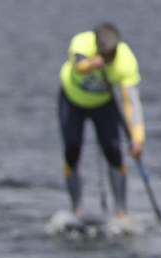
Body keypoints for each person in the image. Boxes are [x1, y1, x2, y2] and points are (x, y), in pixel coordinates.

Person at [59, 22, 145, 219]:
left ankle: (122, 211)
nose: (107, 59)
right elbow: (79, 66)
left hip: (103, 105)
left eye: (111, 55)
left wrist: (137, 138)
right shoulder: (82, 42)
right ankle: (76, 209)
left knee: (113, 151)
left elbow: (131, 103)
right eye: (104, 55)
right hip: (72, 101)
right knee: (72, 150)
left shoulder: (126, 61)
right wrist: (91, 64)